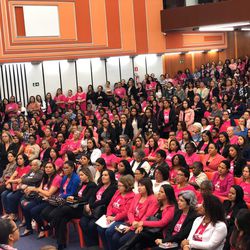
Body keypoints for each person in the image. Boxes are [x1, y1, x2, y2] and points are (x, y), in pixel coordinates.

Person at [120, 184, 177, 250]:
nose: (158, 193)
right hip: (150, 231)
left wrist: (143, 223)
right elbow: (148, 216)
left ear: (168, 195)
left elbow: (162, 223)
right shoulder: (158, 204)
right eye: (159, 191)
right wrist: (141, 225)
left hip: (159, 234)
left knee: (140, 235)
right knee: (137, 243)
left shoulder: (171, 208)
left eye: (162, 192)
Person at [111, 178, 158, 250]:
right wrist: (132, 222)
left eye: (142, 186)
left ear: (148, 186)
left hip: (141, 226)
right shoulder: (137, 196)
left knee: (122, 241)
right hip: (131, 222)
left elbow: (147, 216)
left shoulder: (153, 200)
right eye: (138, 185)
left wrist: (131, 228)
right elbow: (130, 212)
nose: (139, 187)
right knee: (114, 237)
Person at [20, 162, 62, 239]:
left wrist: (36, 190)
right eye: (46, 167)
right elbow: (40, 189)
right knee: (25, 207)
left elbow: (49, 194)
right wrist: (33, 190)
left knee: (33, 211)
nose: (48, 169)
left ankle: (42, 228)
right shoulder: (45, 177)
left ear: (54, 169)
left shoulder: (57, 178)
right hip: (42, 198)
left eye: (50, 167)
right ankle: (29, 228)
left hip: (50, 201)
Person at [80, 170, 117, 248]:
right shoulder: (100, 185)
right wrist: (89, 205)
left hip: (102, 211)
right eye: (102, 175)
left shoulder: (113, 188)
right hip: (93, 208)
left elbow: (105, 200)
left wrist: (91, 206)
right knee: (82, 222)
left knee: (91, 225)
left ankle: (94, 244)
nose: (103, 176)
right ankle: (89, 244)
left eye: (106, 175)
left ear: (111, 177)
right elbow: (92, 196)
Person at [97, 175, 135, 250]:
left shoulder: (132, 196)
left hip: (122, 219)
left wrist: (114, 218)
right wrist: (108, 215)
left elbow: (125, 212)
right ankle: (107, 248)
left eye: (121, 186)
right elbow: (110, 205)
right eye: (118, 185)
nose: (118, 187)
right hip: (111, 216)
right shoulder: (117, 192)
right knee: (99, 228)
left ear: (127, 186)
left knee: (109, 231)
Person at [223, 185, 247, 250]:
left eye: (233, 193)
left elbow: (237, 224)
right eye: (229, 192)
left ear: (238, 195)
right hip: (222, 226)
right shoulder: (226, 203)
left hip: (232, 230)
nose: (230, 195)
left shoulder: (242, 207)